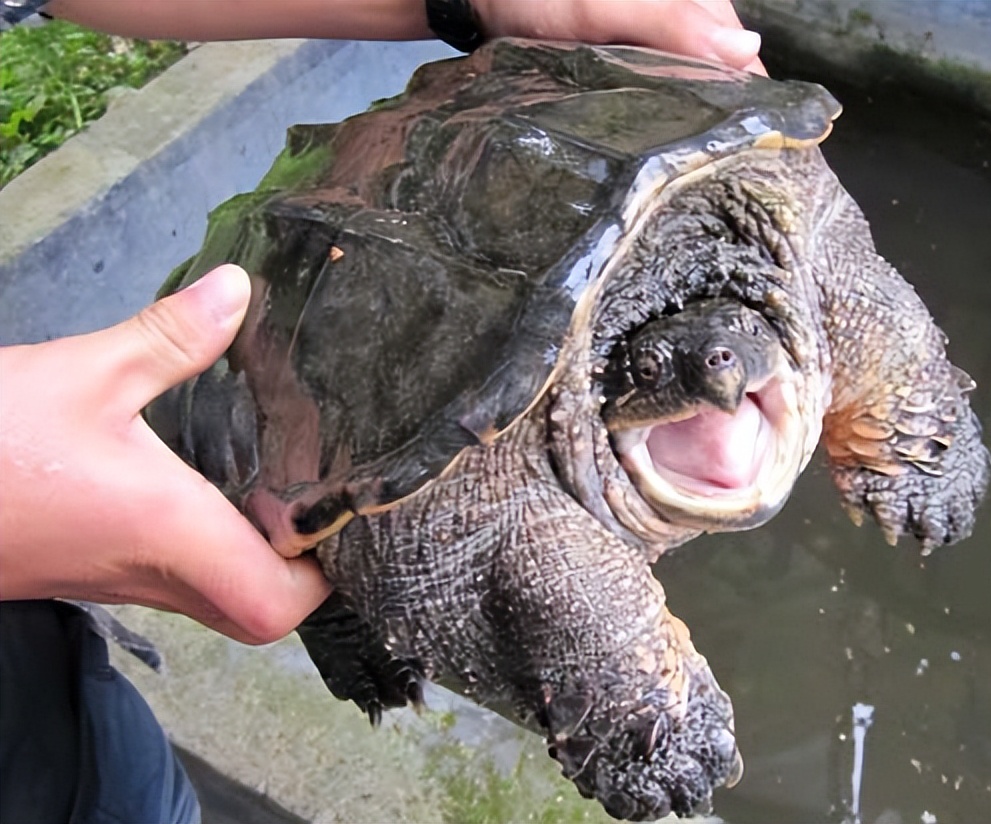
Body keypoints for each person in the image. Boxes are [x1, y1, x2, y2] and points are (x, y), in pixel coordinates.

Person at [0, 2, 763, 821]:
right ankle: (350, 606)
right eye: (665, 367)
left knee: (119, 786)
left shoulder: (751, 235)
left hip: (44, 700)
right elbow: (548, 570)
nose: (720, 381)